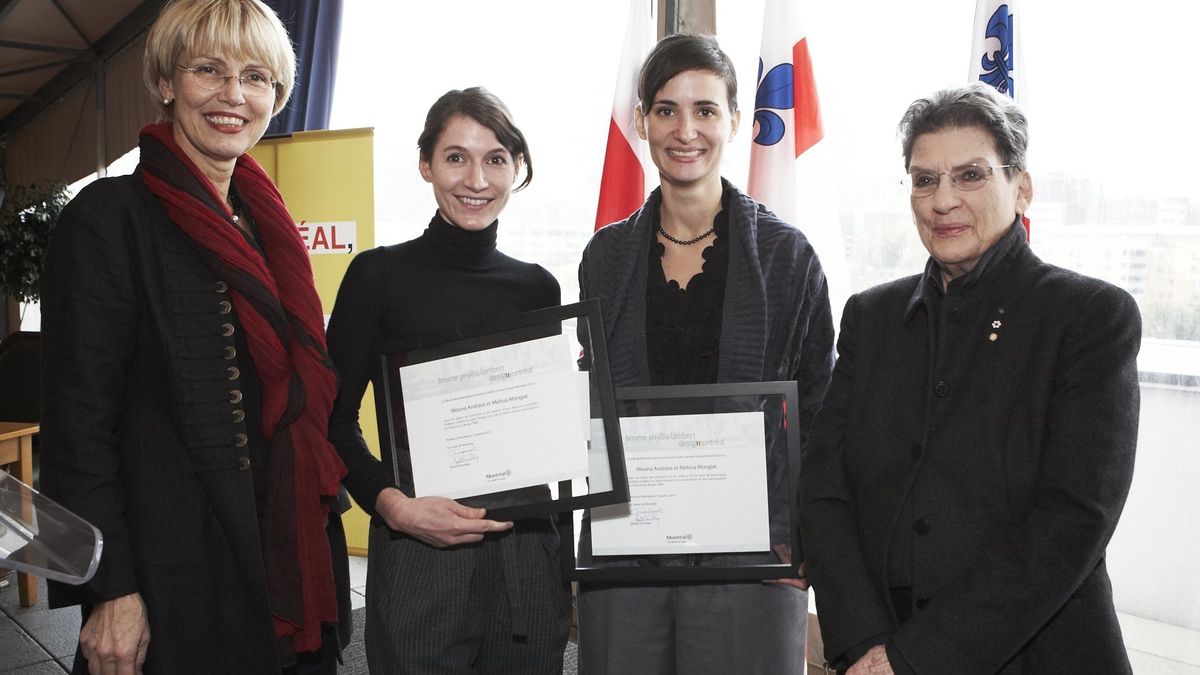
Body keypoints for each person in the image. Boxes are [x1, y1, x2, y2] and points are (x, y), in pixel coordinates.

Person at [39, 0, 351, 672]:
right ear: (166, 82)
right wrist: (108, 586)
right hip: (170, 577)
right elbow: (76, 426)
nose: (233, 95)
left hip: (283, 562)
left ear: (277, 95)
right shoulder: (108, 220)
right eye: (209, 69)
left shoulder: (269, 227)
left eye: (256, 76)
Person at [799, 82, 1140, 674]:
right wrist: (864, 644)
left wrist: (913, 658)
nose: (943, 200)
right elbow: (824, 490)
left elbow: (1071, 521)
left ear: (1022, 186)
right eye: (925, 179)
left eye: (971, 175)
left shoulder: (1089, 318)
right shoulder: (869, 317)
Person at [576, 33, 835, 674]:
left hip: (753, 558)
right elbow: (590, 399)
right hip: (627, 549)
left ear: (735, 121)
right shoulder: (604, 258)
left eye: (705, 109)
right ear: (641, 121)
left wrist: (803, 540)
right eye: (665, 109)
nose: (684, 129)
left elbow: (823, 411)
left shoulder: (788, 256)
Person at [326, 87, 570, 674]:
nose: (476, 179)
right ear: (425, 164)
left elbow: (542, 434)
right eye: (456, 156)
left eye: (496, 159)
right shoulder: (377, 276)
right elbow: (331, 420)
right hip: (418, 549)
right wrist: (391, 506)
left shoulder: (538, 288)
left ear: (517, 169)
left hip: (526, 556)